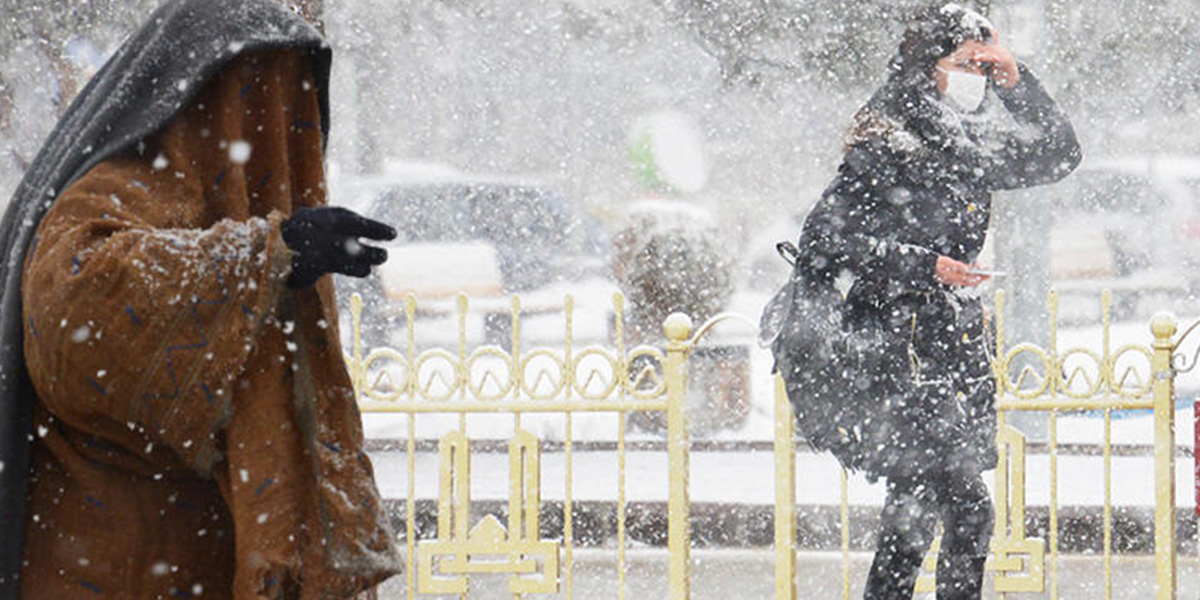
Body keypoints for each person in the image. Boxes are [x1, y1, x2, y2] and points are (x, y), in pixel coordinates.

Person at [0, 1, 402, 598]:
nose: (283, 133)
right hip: (117, 565)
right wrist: (264, 257)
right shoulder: (124, 182)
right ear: (213, 93)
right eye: (265, 100)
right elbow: (73, 310)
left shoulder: (233, 207)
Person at [773, 4, 1080, 600]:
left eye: (982, 68)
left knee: (933, 511)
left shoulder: (967, 141)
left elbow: (1058, 155)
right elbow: (823, 241)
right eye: (964, 65)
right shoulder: (890, 139)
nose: (976, 79)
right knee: (950, 509)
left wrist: (1017, 79)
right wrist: (922, 264)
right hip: (900, 352)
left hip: (952, 350)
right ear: (926, 67)